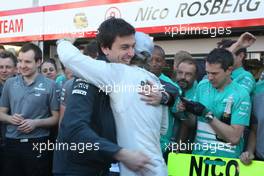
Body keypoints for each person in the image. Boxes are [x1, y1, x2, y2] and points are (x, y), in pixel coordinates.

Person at [57, 25, 168, 176]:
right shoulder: (155, 82)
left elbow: (71, 58)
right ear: (105, 48)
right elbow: (163, 128)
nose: (130, 53)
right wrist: (119, 152)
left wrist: (64, 41)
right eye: (125, 47)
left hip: (131, 167)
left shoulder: (118, 73)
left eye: (132, 47)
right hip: (153, 166)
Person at [0, 43, 59, 176]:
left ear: (38, 62)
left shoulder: (51, 85)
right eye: (20, 61)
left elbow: (56, 118)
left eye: (27, 61)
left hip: (38, 142)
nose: (22, 65)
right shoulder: (10, 83)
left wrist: (35, 123)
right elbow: (1, 113)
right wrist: (10, 118)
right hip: (12, 142)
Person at [179, 48, 251, 158]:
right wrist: (185, 112)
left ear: (229, 70)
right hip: (199, 159)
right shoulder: (202, 86)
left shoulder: (241, 95)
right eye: (207, 72)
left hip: (227, 160)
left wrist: (207, 115)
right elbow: (194, 123)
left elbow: (234, 138)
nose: (210, 77)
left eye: (214, 73)